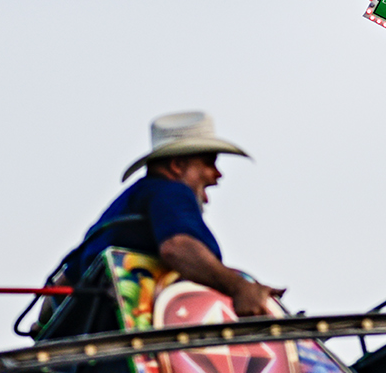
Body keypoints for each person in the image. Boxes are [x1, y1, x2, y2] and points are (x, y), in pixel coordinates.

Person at [58, 111, 282, 318]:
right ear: (177, 165)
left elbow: (60, 287)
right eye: (209, 163)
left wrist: (42, 329)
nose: (217, 174)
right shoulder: (170, 191)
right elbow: (176, 247)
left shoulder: (120, 211)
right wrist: (239, 288)